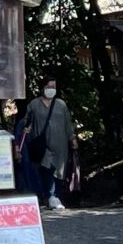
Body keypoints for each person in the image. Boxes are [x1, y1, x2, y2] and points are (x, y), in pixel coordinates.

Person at [24, 78, 78, 213]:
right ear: (42, 87)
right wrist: (27, 128)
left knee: (59, 170)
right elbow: (27, 120)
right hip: (43, 144)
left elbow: (68, 123)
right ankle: (51, 196)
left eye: (54, 86)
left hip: (60, 144)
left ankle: (54, 197)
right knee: (47, 168)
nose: (51, 89)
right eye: (49, 86)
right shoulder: (34, 104)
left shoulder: (61, 104)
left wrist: (72, 138)